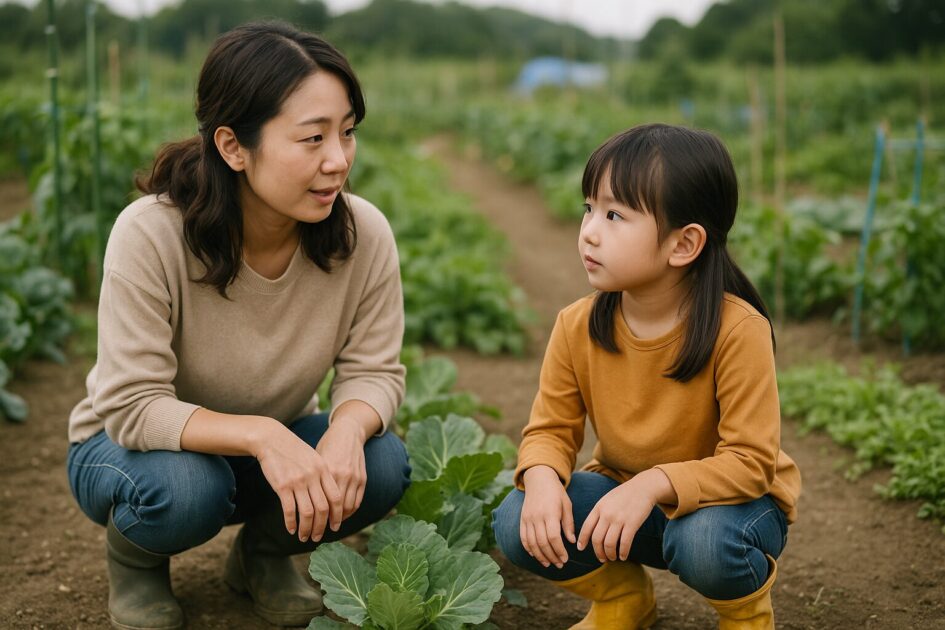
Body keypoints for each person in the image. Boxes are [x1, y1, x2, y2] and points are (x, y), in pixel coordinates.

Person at [65, 21, 410, 630]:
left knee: (381, 463)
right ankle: (137, 564)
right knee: (190, 488)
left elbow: (374, 371)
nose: (338, 160)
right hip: (130, 453)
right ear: (232, 146)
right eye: (312, 139)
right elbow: (132, 405)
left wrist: (348, 430)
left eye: (348, 133)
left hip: (261, 449)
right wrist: (262, 436)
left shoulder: (363, 235)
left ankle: (264, 553)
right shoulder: (151, 234)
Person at [492, 124, 802, 630]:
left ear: (684, 244)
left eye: (615, 215)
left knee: (703, 541)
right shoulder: (577, 324)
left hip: (731, 511)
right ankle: (622, 600)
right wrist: (545, 480)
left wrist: (653, 484)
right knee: (516, 518)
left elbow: (750, 464)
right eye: (588, 208)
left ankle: (746, 617)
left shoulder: (738, 330)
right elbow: (549, 432)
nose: (590, 230)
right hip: (625, 502)